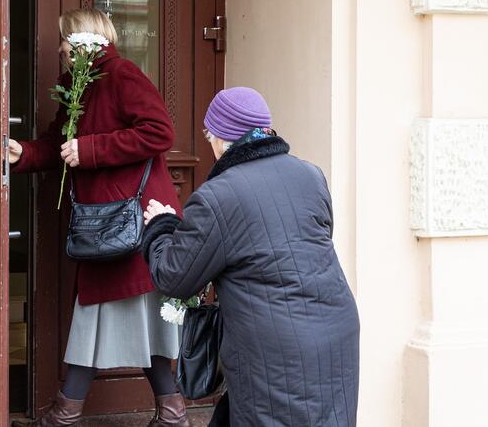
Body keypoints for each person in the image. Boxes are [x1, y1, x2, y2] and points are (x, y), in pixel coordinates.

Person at [9, 8, 189, 427]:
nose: (60, 48)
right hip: (106, 223)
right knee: (136, 321)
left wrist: (89, 150)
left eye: (66, 40)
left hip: (130, 222)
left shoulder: (121, 74)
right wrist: (24, 152)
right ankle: (172, 414)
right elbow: (60, 144)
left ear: (85, 40)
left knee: (107, 316)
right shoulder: (77, 85)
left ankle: (64, 416)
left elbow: (160, 131)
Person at [142, 87, 360, 427]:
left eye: (209, 135)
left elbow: (174, 276)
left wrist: (161, 226)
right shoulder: (311, 176)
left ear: (222, 138)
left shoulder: (218, 196)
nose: (209, 144)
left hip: (274, 349)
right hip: (334, 333)